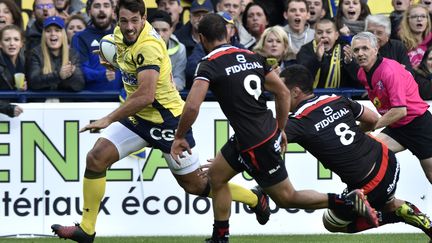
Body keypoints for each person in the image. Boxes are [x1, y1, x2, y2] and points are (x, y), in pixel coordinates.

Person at [51, 1, 270, 242]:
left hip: (168, 121)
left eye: (135, 20)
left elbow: (146, 95)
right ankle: (86, 229)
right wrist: (115, 62)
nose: (129, 26)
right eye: (124, 21)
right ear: (117, 17)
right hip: (139, 119)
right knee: (95, 158)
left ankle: (254, 197)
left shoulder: (150, 46)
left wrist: (108, 118)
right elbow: (129, 64)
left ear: (144, 17)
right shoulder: (117, 34)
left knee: (196, 185)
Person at [171, 13, 378, 243]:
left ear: (200, 37)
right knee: (216, 177)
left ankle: (345, 201)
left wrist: (180, 136)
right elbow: (281, 92)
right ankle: (221, 236)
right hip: (253, 136)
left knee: (287, 198)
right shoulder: (252, 56)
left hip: (256, 144)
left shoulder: (208, 65)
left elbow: (191, 107)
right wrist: (279, 129)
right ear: (228, 33)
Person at [280, 64, 432, 239]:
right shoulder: (335, 98)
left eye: (281, 91)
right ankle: (415, 219)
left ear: (296, 92)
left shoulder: (296, 123)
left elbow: (267, 142)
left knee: (331, 222)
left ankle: (394, 215)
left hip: (369, 185)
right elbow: (373, 119)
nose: (278, 96)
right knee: (386, 203)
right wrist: (357, 136)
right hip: (388, 159)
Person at [351, 31, 432, 184]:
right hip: (397, 127)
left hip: (419, 125)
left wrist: (369, 126)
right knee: (367, 153)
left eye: (365, 48)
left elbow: (400, 110)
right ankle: (382, 199)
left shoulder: (389, 70)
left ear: (375, 50)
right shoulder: (362, 73)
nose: (360, 53)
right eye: (356, 50)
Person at [71, 0, 123, 92]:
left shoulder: (122, 36)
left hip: (118, 98)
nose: (101, 9)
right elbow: (79, 69)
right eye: (97, 6)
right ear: (89, 12)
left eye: (106, 6)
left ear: (113, 11)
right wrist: (102, 75)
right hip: (90, 99)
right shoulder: (79, 38)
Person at [27, 16, 85, 93]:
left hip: (64, 103)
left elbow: (79, 85)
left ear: (63, 34)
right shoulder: (35, 53)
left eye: (57, 30)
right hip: (41, 103)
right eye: (48, 31)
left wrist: (71, 75)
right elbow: (33, 82)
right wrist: (59, 75)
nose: (53, 34)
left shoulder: (72, 54)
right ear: (43, 35)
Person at [185, 11, 244, 88]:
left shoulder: (241, 49)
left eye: (223, 26)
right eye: (216, 26)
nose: (219, 29)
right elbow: (191, 69)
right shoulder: (202, 45)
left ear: (233, 31)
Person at [297, 19, 360, 88]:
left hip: (339, 96)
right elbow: (302, 77)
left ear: (336, 35)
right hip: (311, 96)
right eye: (319, 32)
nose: (324, 35)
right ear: (314, 35)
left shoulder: (345, 50)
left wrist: (349, 63)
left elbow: (358, 79)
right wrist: (317, 58)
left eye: (328, 32)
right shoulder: (306, 50)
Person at [148, 9, 186, 91]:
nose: (160, 35)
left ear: (171, 30)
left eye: (164, 30)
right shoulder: (139, 48)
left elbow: (180, 81)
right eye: (156, 30)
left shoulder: (180, 49)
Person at [398, 4, 432, 69]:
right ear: (407, 20)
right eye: (414, 16)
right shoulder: (399, 43)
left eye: (423, 16)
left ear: (427, 20)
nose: (419, 19)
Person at [0, 24, 26, 91]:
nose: (12, 43)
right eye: (7, 40)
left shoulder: (28, 61)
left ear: (21, 44)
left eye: (16, 39)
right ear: (0, 44)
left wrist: (28, 86)